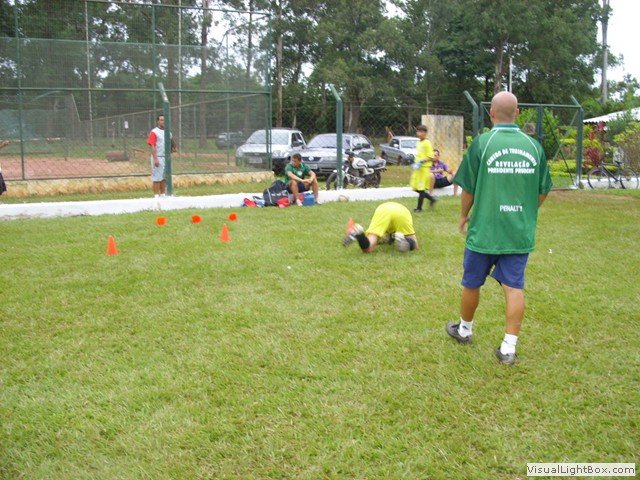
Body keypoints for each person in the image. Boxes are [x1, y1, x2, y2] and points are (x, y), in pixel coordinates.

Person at [445, 91, 552, 365]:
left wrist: (463, 215)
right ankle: (508, 348)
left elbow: (468, 188)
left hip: (484, 230)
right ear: (518, 114)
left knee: (472, 282)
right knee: (514, 287)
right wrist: (527, 211)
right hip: (518, 232)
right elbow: (543, 190)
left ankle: (464, 330)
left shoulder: (483, 143)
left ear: (491, 114)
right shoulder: (533, 147)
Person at [343, 201, 419, 253]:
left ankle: (359, 233)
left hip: (382, 209)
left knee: (368, 249)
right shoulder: (392, 232)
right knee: (415, 245)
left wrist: (378, 239)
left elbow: (384, 239)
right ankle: (404, 240)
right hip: (402, 212)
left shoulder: (385, 231)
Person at [409, 125, 437, 212]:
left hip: (424, 168)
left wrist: (421, 162)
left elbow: (431, 156)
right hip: (418, 168)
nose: (419, 133)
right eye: (418, 131)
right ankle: (432, 199)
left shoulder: (427, 143)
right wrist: (416, 163)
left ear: (425, 133)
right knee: (415, 187)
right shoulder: (418, 143)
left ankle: (419, 208)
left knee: (421, 188)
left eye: (421, 132)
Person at [147, 114, 175, 197]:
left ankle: (163, 195)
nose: (163, 122)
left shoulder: (168, 132)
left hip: (166, 157)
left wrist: (173, 148)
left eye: (165, 120)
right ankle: (156, 196)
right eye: (162, 120)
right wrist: (155, 159)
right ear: (158, 121)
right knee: (157, 178)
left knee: (164, 177)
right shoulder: (154, 132)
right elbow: (152, 145)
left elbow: (172, 144)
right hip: (158, 156)